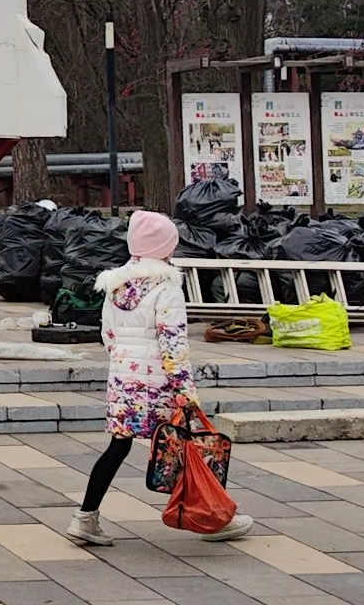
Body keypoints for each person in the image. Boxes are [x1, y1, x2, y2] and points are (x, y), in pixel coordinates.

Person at [65, 210, 254, 547]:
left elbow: (107, 335)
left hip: (124, 382)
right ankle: (213, 515)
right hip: (161, 383)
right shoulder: (166, 287)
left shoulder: (115, 285)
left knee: (118, 447)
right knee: (187, 447)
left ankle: (85, 518)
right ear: (165, 248)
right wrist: (184, 388)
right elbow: (173, 342)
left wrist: (125, 366)